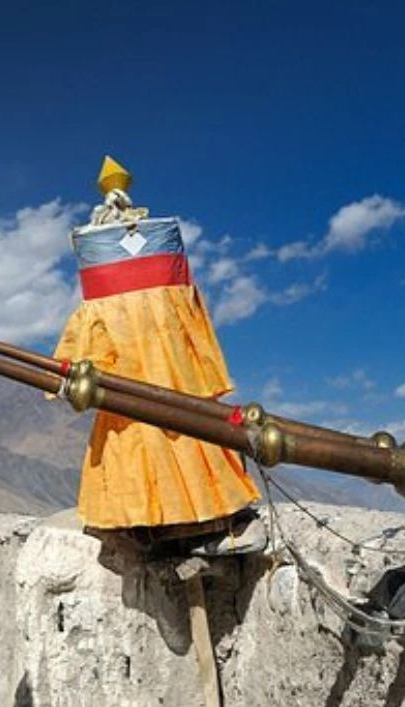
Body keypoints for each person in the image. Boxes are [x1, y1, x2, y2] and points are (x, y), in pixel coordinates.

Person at [52, 155, 266, 555]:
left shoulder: (101, 310)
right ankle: (202, 517)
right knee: (178, 407)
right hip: (175, 387)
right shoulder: (169, 296)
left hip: (131, 392)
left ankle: (154, 525)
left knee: (136, 418)